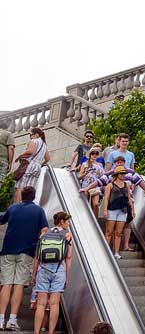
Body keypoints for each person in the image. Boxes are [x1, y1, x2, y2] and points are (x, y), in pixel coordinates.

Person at [0, 186, 49, 331]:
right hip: (27, 251)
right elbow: (44, 229)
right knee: (19, 284)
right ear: (33, 197)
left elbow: (2, 220)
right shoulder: (39, 211)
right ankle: (12, 320)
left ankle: (1, 318)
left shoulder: (13, 208)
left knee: (6, 284)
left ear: (22, 195)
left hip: (8, 250)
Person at [32, 211, 72, 334]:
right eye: (67, 221)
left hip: (43, 269)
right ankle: (50, 332)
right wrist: (67, 277)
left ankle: (36, 332)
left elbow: (37, 257)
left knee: (41, 304)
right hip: (59, 270)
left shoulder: (44, 234)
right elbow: (69, 258)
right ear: (62, 222)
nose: (68, 223)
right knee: (54, 304)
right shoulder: (67, 235)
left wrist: (34, 274)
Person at [102, 166, 134, 259]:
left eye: (124, 173)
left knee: (118, 233)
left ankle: (116, 252)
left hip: (123, 210)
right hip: (112, 209)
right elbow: (106, 198)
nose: (123, 175)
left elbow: (129, 198)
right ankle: (106, 251)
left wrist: (132, 210)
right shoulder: (110, 185)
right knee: (109, 231)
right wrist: (105, 210)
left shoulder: (126, 185)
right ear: (116, 174)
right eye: (121, 173)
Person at [13, 128, 49, 204]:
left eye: (31, 134)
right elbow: (48, 158)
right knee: (29, 188)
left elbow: (30, 152)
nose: (30, 136)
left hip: (30, 165)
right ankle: (25, 206)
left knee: (20, 187)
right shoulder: (44, 145)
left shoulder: (34, 141)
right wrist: (40, 164)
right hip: (38, 167)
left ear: (37, 134)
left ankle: (16, 206)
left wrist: (20, 156)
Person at [78, 149, 105, 219]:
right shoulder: (85, 164)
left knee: (95, 204)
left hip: (96, 186)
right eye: (93, 154)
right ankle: (85, 218)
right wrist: (85, 173)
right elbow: (79, 177)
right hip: (85, 185)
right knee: (85, 204)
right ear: (90, 155)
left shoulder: (100, 165)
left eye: (96, 154)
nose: (94, 155)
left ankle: (96, 220)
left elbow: (103, 177)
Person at [0, 117, 15, 186]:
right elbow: (11, 148)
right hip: (2, 161)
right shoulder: (8, 134)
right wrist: (10, 163)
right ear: (6, 128)